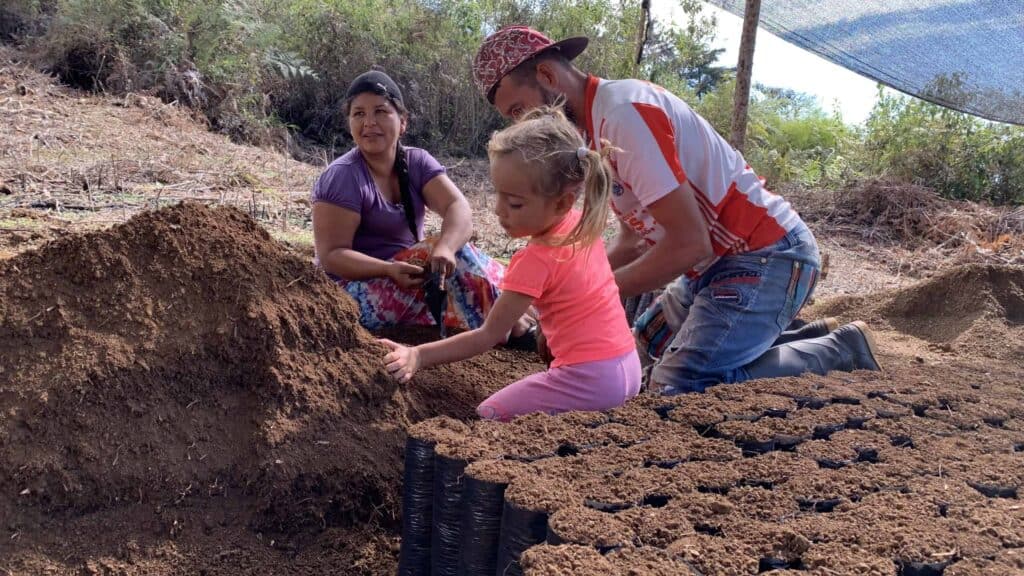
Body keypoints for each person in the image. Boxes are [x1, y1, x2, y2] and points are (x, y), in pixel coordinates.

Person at [472, 26, 881, 394]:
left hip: (765, 257)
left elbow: (688, 243)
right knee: (641, 348)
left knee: (680, 385)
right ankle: (797, 337)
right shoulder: (595, 131)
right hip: (714, 269)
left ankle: (836, 352)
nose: (523, 124)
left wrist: (582, 301)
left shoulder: (622, 115)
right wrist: (568, 291)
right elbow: (632, 242)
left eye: (518, 110)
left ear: (547, 76)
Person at [381, 107, 641, 421]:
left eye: (515, 203)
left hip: (591, 380)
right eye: (499, 195)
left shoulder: (535, 259)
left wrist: (417, 354)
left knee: (490, 412)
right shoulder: (579, 224)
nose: (499, 211)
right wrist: (546, 331)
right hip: (627, 365)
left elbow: (487, 336)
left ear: (562, 202)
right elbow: (577, 295)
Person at [311, 70, 533, 343]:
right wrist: (387, 269)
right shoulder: (342, 176)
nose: (369, 122)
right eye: (358, 114)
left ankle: (527, 310)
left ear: (402, 122)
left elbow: (457, 206)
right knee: (450, 257)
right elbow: (332, 256)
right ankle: (517, 329)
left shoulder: (416, 162)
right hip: (350, 294)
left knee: (464, 254)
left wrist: (446, 248)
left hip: (404, 276)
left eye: (380, 111)